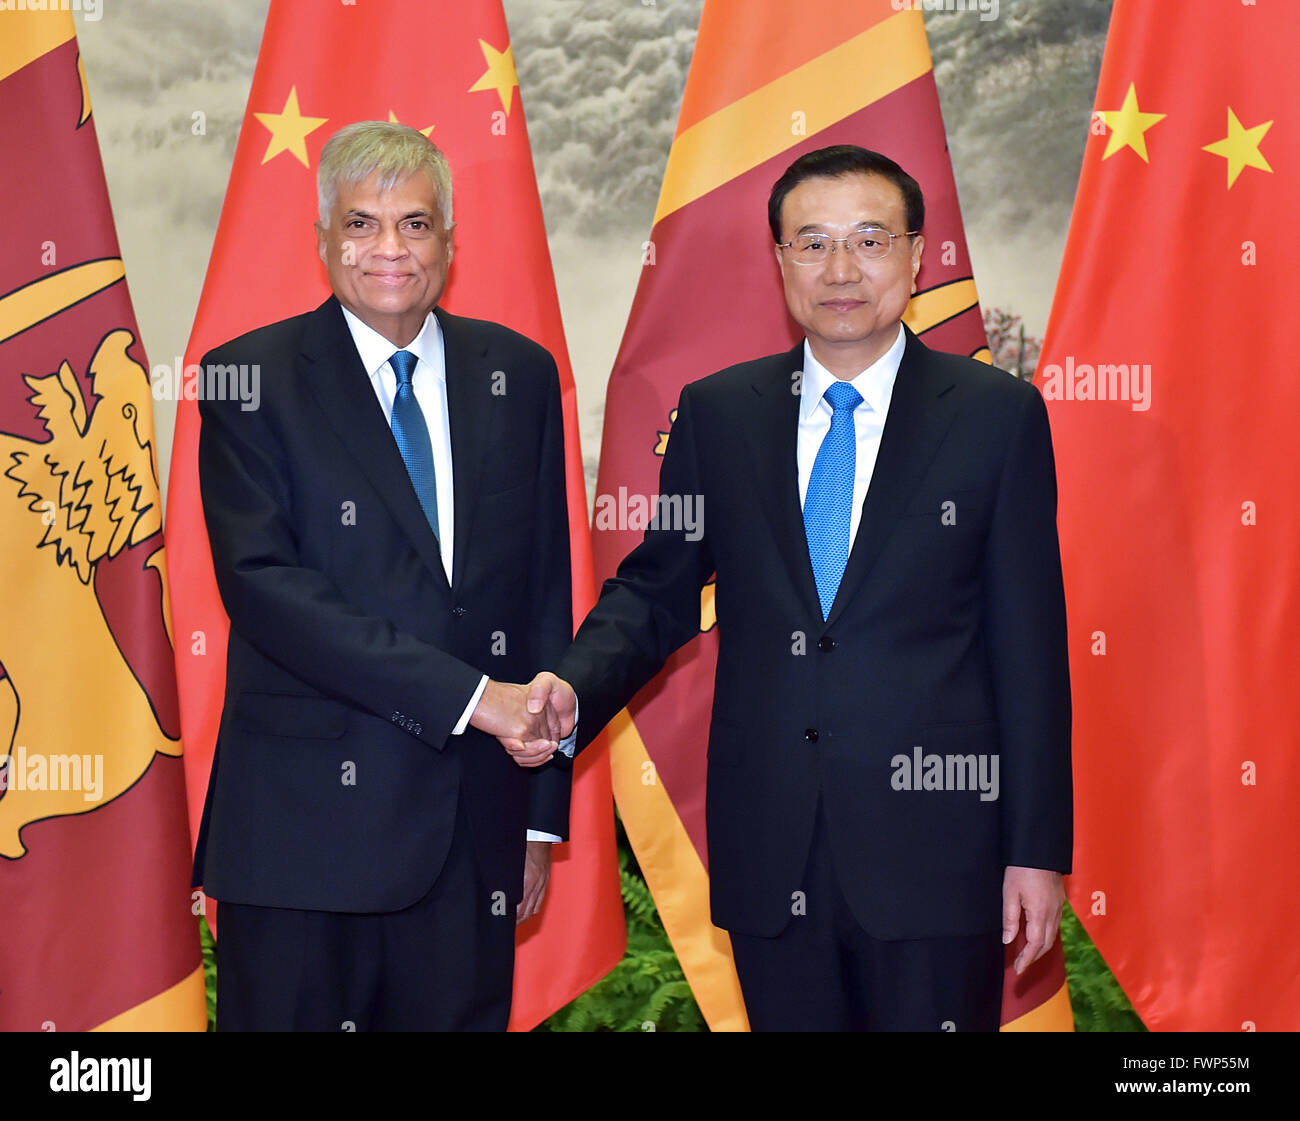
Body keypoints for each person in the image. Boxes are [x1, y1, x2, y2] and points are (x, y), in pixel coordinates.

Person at [522, 145, 1073, 1031]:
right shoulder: (719, 412)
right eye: (812, 243)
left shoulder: (996, 418)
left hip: (937, 854)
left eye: (869, 239)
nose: (841, 270)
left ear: (917, 254)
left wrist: (1037, 850)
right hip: (771, 848)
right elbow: (656, 591)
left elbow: (1031, 649)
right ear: (778, 261)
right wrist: (568, 689)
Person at [192, 121, 573, 1031]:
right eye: (362, 224)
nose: (390, 249)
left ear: (451, 241)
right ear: (323, 240)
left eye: (416, 223)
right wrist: (475, 698)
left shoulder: (517, 377)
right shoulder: (248, 378)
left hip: (470, 840)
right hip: (301, 842)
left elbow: (542, 598)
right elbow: (266, 589)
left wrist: (534, 819)